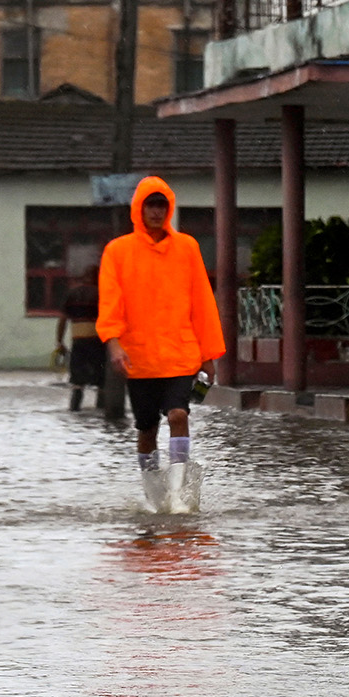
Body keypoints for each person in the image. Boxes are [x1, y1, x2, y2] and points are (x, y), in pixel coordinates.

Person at [96, 176, 225, 512]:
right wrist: (114, 344)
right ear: (139, 208)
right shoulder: (118, 251)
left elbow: (202, 302)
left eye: (162, 205)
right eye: (150, 204)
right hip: (139, 357)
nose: (156, 211)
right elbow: (110, 302)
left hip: (181, 353)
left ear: (169, 208)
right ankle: (155, 497)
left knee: (179, 414)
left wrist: (209, 354)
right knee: (147, 428)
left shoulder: (188, 248)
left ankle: (179, 492)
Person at [56, 265, 105, 411]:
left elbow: (63, 319)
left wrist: (59, 341)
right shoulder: (102, 294)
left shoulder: (72, 294)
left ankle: (75, 408)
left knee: (77, 380)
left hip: (78, 341)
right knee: (101, 381)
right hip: (98, 341)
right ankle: (101, 410)